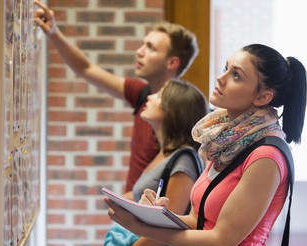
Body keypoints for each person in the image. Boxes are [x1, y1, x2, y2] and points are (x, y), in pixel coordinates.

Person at [105, 43, 307, 246]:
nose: (221, 78)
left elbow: (220, 242)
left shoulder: (266, 156)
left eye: (236, 75)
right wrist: (158, 217)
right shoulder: (224, 141)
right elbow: (199, 221)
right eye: (225, 69)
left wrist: (144, 230)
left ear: (262, 97)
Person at [33, 0, 199, 193]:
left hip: (143, 214)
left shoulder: (181, 115)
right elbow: (86, 68)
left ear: (172, 62)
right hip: (131, 209)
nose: (139, 52)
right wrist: (53, 33)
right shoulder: (142, 93)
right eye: (143, 45)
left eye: (151, 48)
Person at [105, 79, 208, 246]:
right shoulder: (164, 154)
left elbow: (167, 231)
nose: (150, 97)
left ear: (174, 109)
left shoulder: (183, 158)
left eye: (159, 96)